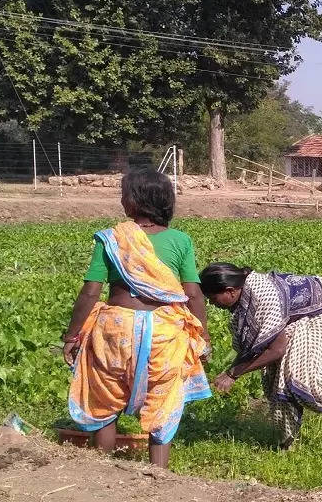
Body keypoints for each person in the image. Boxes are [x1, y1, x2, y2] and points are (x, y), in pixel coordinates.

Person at [62, 168, 212, 469]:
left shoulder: (112, 239)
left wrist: (72, 336)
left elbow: (91, 292)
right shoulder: (180, 240)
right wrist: (203, 337)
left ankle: (102, 470)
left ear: (133, 201)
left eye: (123, 194)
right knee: (164, 395)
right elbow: (193, 294)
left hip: (115, 328)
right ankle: (159, 475)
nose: (120, 200)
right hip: (163, 331)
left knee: (104, 394)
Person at [199, 263, 322, 448]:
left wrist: (233, 374)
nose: (212, 304)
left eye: (213, 298)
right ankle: (287, 440)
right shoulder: (242, 300)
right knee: (277, 377)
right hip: (295, 314)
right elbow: (255, 347)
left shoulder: (262, 296)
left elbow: (276, 350)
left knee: (302, 374)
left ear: (230, 291)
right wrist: (231, 370)